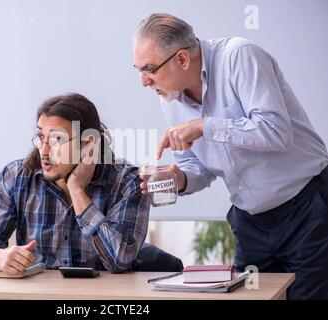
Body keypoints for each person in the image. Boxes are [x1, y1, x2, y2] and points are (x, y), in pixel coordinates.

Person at [133, 13, 328, 299]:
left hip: (306, 210)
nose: (144, 82)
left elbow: (276, 131)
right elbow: (200, 164)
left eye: (149, 70)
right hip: (251, 223)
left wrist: (204, 125)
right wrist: (178, 177)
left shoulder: (239, 57)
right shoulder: (171, 97)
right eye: (138, 70)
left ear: (182, 60)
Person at [0, 93, 149, 274]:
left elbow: (120, 259)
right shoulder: (16, 176)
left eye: (57, 139)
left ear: (87, 144)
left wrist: (77, 190)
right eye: (41, 137)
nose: (44, 151)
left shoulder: (127, 181)